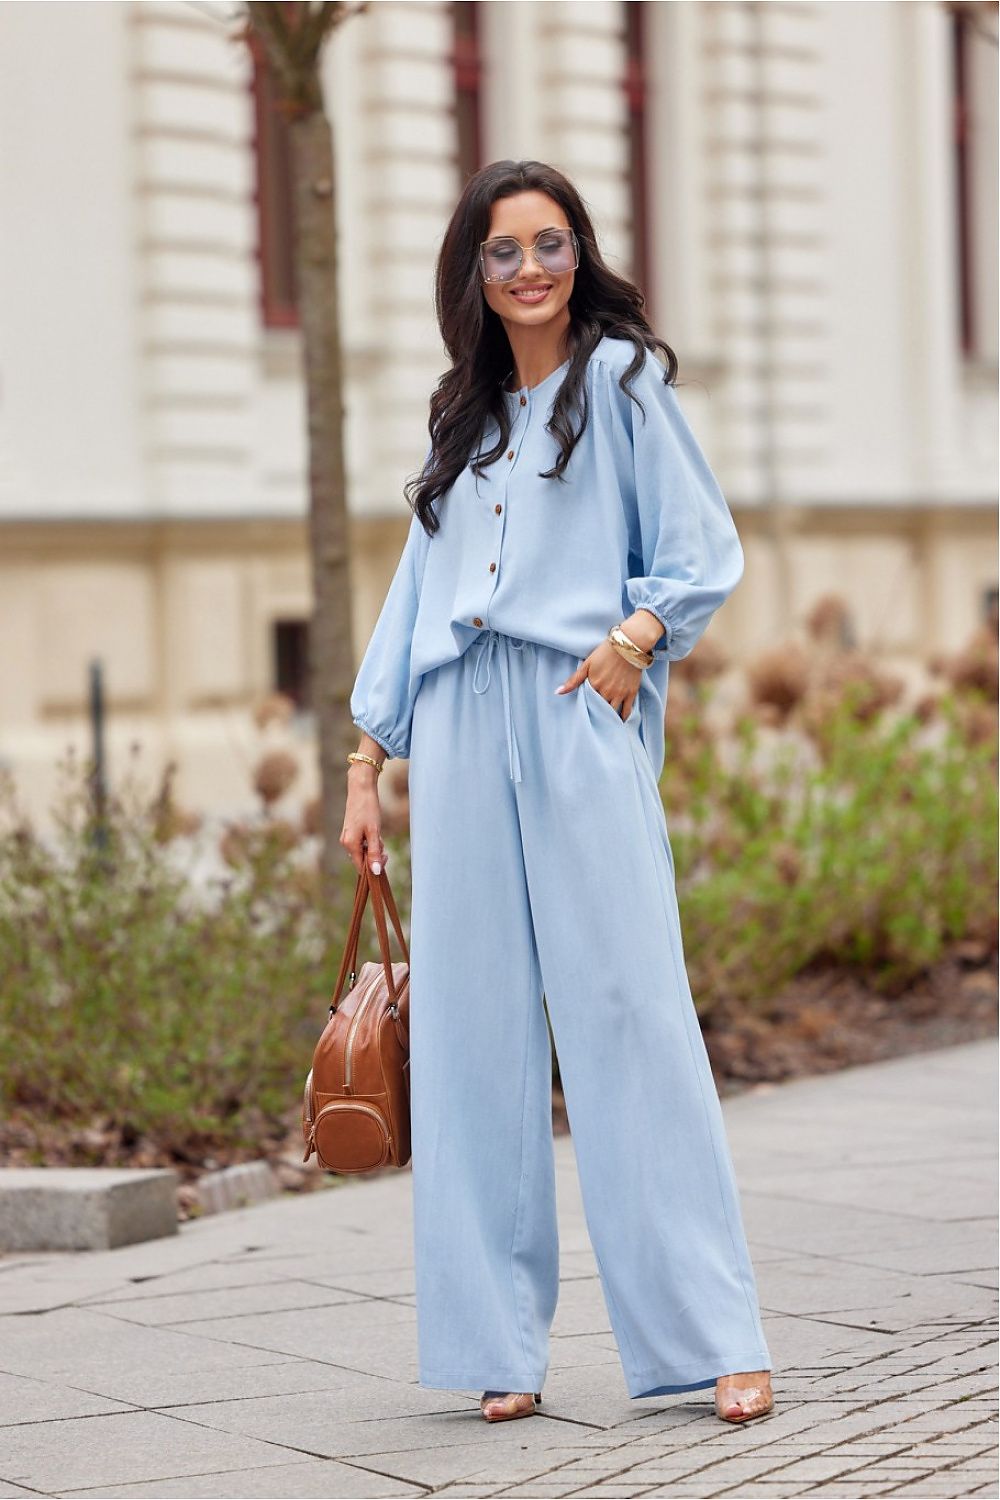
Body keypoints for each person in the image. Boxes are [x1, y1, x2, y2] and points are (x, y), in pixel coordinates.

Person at [341, 159, 776, 1427]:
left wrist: (635, 641)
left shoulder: (625, 379)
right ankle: (495, 1342)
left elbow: (698, 548)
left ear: (578, 253)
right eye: (502, 251)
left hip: (577, 705)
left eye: (549, 243)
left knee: (629, 1014)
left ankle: (712, 1334)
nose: (529, 268)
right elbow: (411, 595)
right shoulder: (460, 418)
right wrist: (368, 760)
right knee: (474, 1037)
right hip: (462, 732)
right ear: (471, 274)